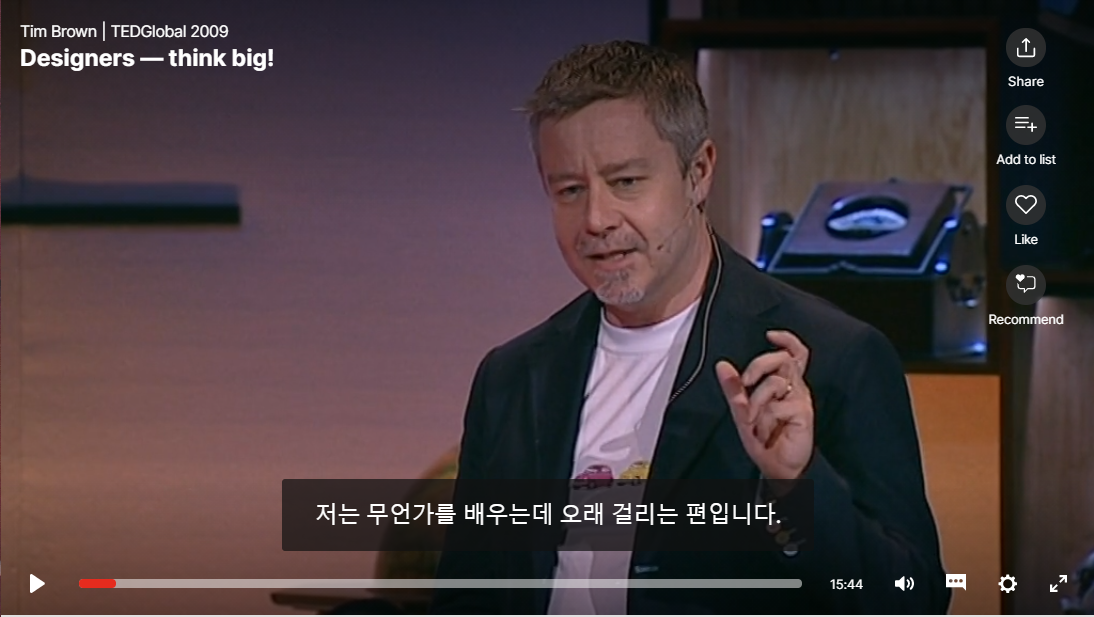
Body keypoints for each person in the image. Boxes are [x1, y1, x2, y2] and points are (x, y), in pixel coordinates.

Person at [430, 40, 948, 614]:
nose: (596, 219)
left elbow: (914, 600)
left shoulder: (834, 358)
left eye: (627, 182)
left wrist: (796, 487)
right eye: (570, 190)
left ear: (698, 173)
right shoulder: (511, 377)